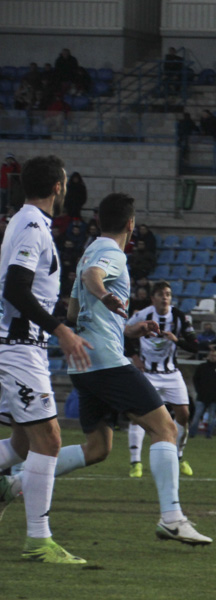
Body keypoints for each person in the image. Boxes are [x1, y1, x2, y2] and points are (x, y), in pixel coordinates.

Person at [5, 192, 213, 553]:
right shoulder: (110, 253)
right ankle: (172, 518)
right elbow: (91, 276)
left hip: (85, 365)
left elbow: (72, 312)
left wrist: (129, 330)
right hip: (105, 362)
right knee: (165, 428)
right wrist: (103, 295)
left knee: (98, 448)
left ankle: (17, 483)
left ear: (99, 221)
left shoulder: (88, 247)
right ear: (131, 225)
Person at [0, 155, 92, 563]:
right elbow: (16, 289)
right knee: (50, 440)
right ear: (57, 186)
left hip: (20, 343)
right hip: (19, 346)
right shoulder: (33, 226)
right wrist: (61, 329)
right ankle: (38, 540)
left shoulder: (25, 222)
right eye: (66, 182)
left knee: (23, 441)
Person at [125, 281, 199, 478]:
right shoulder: (142, 315)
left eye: (168, 294)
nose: (165, 297)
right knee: (138, 415)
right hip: (148, 373)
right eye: (161, 294)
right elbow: (123, 333)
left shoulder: (180, 317)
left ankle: (179, 456)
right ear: (153, 298)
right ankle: (135, 462)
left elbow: (195, 346)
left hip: (171, 374)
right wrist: (133, 356)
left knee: (183, 415)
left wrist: (177, 340)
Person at [189, 348, 216, 439]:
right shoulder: (202, 367)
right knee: (197, 416)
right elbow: (195, 379)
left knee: (211, 417)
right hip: (201, 396)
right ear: (208, 356)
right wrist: (199, 391)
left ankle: (209, 434)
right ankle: (192, 433)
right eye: (212, 355)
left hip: (214, 398)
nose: (213, 357)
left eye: (215, 355)